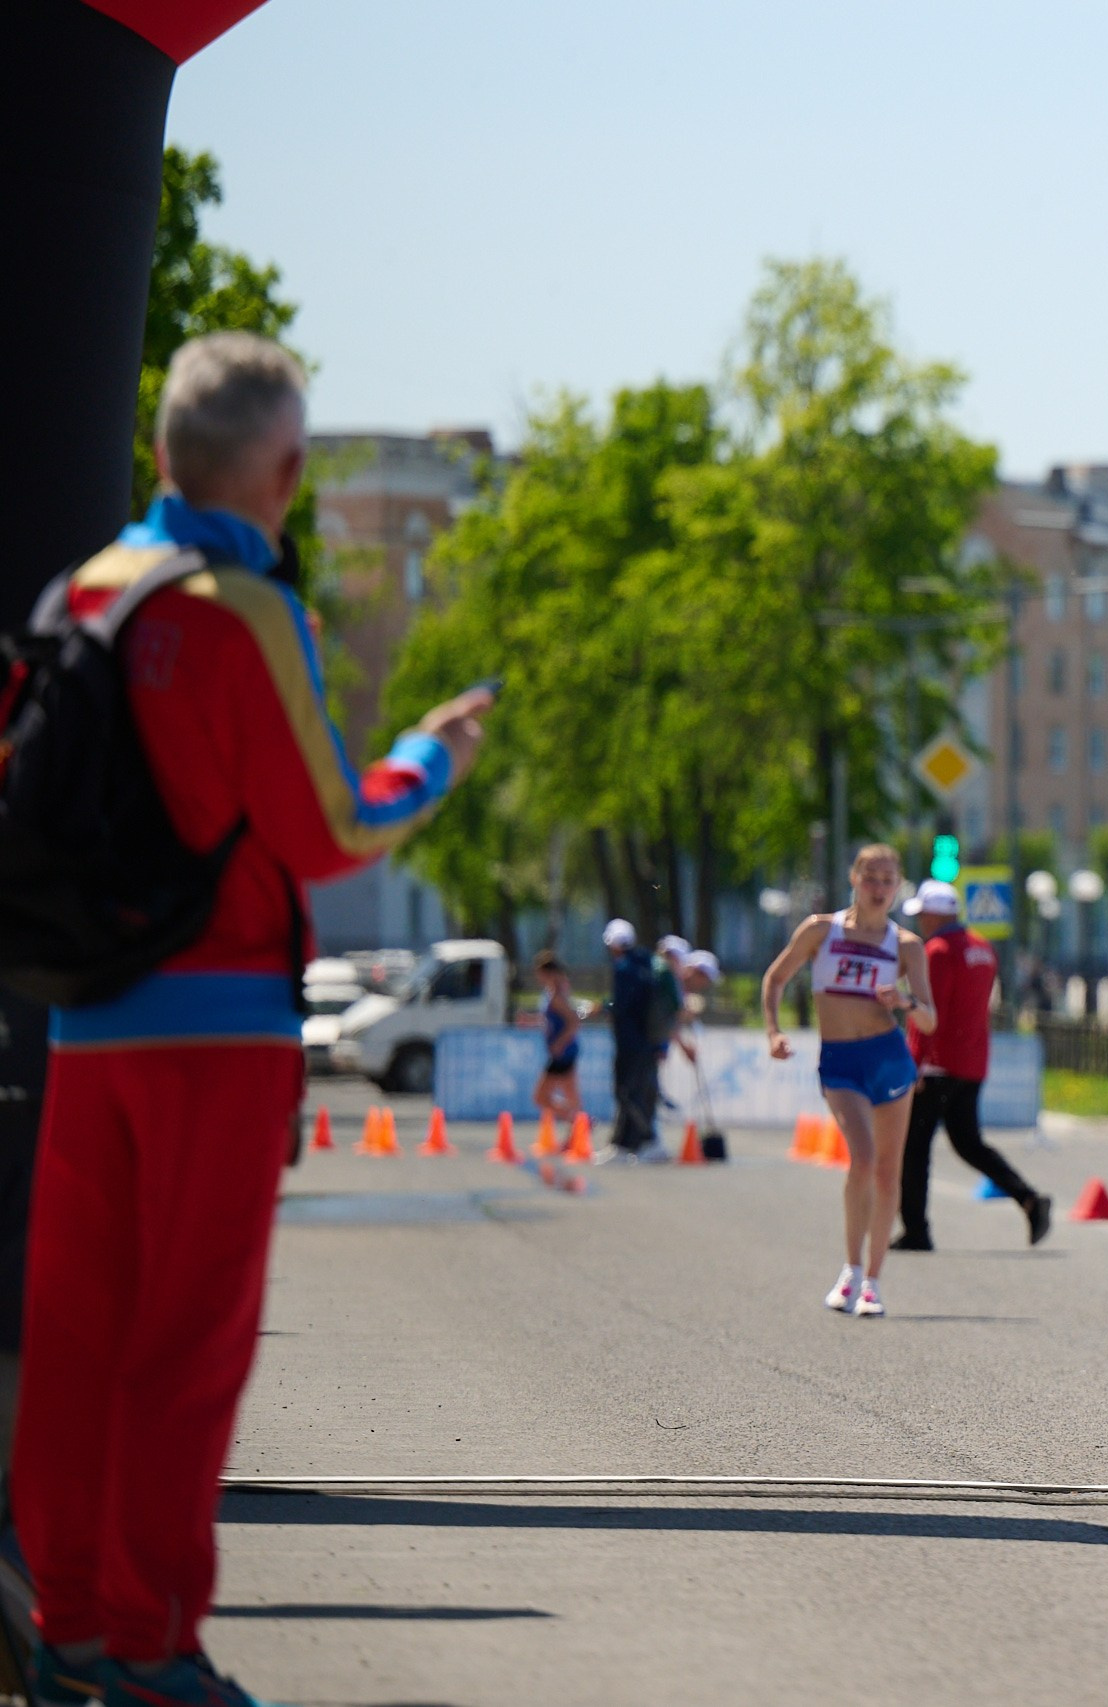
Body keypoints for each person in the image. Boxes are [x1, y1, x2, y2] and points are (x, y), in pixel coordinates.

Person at [13, 332, 486, 1707]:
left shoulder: (80, 591)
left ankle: (68, 1627)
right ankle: (155, 1644)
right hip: (217, 1026)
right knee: (189, 1338)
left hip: (86, 1019)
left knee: (79, 1334)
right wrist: (430, 759)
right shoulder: (246, 610)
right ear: (282, 474)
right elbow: (328, 829)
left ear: (162, 451)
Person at [761, 845, 937, 1318]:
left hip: (889, 1060)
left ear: (897, 887)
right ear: (854, 879)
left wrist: (904, 1001)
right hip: (840, 1061)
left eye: (888, 880)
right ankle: (850, 1268)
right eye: (871, 878)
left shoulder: (906, 945)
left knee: (887, 1171)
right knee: (862, 1158)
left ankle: (873, 1282)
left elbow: (929, 1019)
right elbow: (775, 978)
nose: (879, 888)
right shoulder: (821, 930)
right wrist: (774, 1031)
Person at [894, 880, 1051, 1251]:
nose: (921, 922)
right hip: (973, 1060)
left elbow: (927, 1013)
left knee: (914, 1147)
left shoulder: (936, 951)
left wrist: (914, 1063)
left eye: (923, 915)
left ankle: (916, 1230)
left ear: (936, 915)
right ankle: (1028, 1199)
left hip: (937, 1064)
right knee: (968, 1143)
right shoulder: (982, 948)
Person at [604, 918, 664, 1159]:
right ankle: (625, 1144)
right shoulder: (647, 964)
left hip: (629, 1042)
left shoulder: (623, 968)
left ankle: (647, 1139)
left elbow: (621, 1005)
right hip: (649, 1041)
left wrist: (604, 1007)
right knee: (639, 1091)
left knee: (626, 1092)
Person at [531, 949, 583, 1130]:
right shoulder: (554, 992)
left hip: (563, 1052)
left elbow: (573, 1022)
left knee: (540, 1097)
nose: (537, 977)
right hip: (564, 1051)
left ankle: (579, 1121)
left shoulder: (557, 995)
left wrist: (559, 1043)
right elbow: (550, 1020)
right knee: (571, 1096)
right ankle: (577, 1127)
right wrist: (529, 1020)